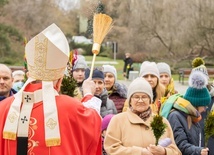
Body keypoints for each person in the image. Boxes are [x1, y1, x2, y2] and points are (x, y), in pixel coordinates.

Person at [0, 23, 102, 155]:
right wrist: (88, 94)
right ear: (59, 80)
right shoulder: (71, 108)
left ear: (28, 75)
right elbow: (93, 124)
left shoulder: (3, 108)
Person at [104, 77, 181, 155]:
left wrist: (164, 151)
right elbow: (111, 148)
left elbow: (176, 151)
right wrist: (139, 152)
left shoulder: (161, 121)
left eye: (144, 97)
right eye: (136, 97)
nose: (140, 100)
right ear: (130, 100)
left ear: (150, 100)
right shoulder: (118, 120)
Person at [161, 71, 211, 155]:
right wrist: (198, 151)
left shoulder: (193, 116)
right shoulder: (175, 116)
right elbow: (180, 145)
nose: (205, 109)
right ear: (196, 104)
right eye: (204, 106)